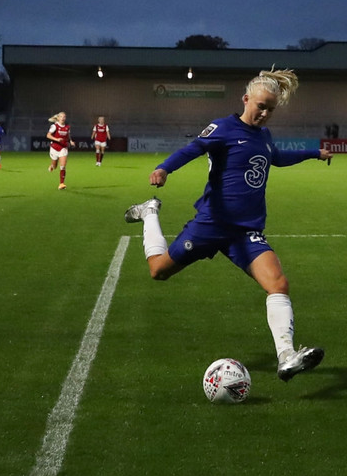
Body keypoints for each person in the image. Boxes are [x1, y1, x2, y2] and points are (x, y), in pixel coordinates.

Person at [123, 69, 332, 381]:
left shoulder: (264, 136)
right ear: (246, 99)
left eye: (271, 109)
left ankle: (286, 356)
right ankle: (150, 212)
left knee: (278, 284)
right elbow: (192, 149)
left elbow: (276, 158)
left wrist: (314, 153)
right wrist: (164, 168)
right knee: (159, 271)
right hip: (210, 225)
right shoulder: (223, 128)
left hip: (246, 231)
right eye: (260, 106)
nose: (264, 113)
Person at [47, 112, 72, 190]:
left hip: (63, 147)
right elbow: (48, 135)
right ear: (58, 118)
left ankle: (61, 183)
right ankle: (51, 165)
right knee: (55, 166)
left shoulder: (67, 127)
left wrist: (70, 141)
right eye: (61, 116)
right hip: (54, 147)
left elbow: (68, 135)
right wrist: (56, 139)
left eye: (64, 116)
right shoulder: (54, 126)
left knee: (63, 166)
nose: (63, 118)